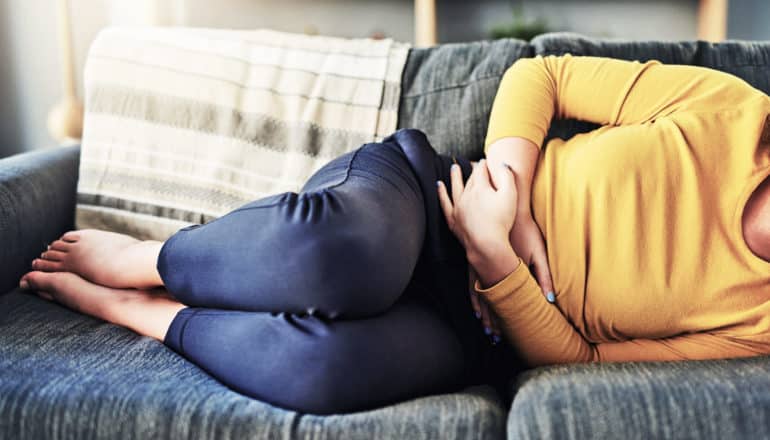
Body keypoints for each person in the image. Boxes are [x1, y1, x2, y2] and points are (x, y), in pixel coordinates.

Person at [18, 53, 770, 415]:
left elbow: (583, 358)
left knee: (324, 376)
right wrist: (510, 203)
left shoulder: (758, 326)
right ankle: (150, 258)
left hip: (473, 328)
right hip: (424, 198)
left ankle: (141, 313)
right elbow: (542, 78)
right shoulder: (732, 109)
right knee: (349, 257)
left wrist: (499, 261)